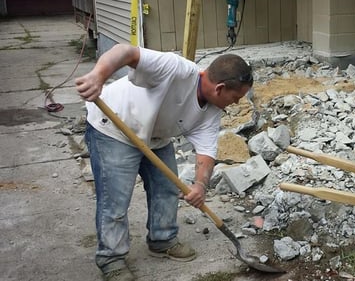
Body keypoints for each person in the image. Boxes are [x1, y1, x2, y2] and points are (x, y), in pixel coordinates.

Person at [75, 44, 253, 281]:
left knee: (167, 189)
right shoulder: (175, 69)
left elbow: (206, 153)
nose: (237, 103)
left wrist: (200, 185)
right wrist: (98, 76)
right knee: (115, 199)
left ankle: (162, 239)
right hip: (114, 127)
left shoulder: (212, 110)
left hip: (156, 138)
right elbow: (126, 52)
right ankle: (111, 259)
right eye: (236, 97)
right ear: (220, 88)